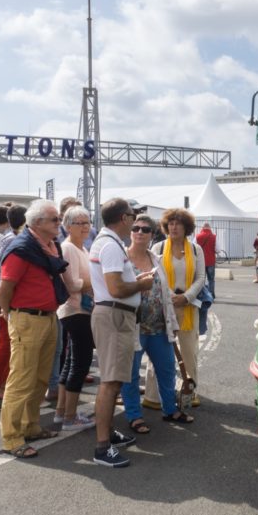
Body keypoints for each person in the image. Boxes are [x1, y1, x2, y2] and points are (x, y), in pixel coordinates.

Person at [0, 200, 69, 458]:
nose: (59, 224)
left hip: (48, 317)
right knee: (21, 379)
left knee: (39, 377)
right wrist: (10, 314)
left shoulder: (48, 246)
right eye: (55, 220)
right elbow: (4, 289)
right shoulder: (21, 249)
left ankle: (30, 426)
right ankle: (12, 438)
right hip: (27, 319)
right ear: (37, 223)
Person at [89, 197, 151, 467]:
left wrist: (133, 282)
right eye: (133, 215)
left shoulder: (107, 242)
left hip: (113, 313)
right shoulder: (112, 246)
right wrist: (142, 284)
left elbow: (113, 284)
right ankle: (102, 447)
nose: (136, 221)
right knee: (111, 381)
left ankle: (107, 435)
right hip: (114, 315)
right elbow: (115, 289)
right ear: (124, 218)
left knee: (113, 380)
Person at [120, 214, 194, 434]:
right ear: (131, 232)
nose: (139, 232)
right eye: (136, 228)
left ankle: (170, 409)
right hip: (134, 326)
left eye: (145, 229)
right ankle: (134, 415)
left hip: (159, 326)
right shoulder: (123, 258)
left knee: (166, 369)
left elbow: (164, 290)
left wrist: (172, 316)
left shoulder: (155, 259)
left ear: (152, 235)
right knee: (131, 374)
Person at [144, 208, 206, 409]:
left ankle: (190, 391)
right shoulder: (158, 248)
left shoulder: (196, 250)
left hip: (188, 308)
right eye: (170, 223)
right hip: (161, 308)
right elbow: (153, 276)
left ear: (186, 227)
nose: (173, 227)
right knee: (158, 351)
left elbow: (201, 277)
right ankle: (153, 396)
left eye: (178, 223)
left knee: (189, 351)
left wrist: (187, 297)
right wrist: (170, 296)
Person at [53, 205, 96, 431]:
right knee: (80, 363)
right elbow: (72, 284)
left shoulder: (83, 249)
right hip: (74, 310)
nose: (85, 227)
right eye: (80, 223)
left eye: (87, 222)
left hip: (82, 310)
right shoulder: (68, 248)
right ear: (67, 226)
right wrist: (96, 281)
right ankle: (70, 416)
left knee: (71, 362)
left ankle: (62, 412)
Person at [0, 203, 27, 399]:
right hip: (9, 301)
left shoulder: (12, 239)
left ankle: (1, 382)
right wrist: (3, 304)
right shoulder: (13, 240)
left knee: (10, 344)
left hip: (11, 300)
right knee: (6, 344)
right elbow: (0, 275)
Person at [196, 222, 217, 298]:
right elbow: (218, 249)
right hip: (211, 261)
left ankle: (202, 295)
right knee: (211, 279)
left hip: (200, 262)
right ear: (209, 228)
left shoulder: (197, 236)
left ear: (202, 228)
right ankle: (211, 295)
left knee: (201, 279)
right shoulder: (214, 237)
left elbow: (193, 248)